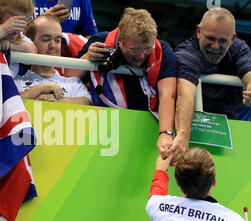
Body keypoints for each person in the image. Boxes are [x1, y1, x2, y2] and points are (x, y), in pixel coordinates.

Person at [76, 8, 177, 159]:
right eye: (134, 50)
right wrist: (87, 58)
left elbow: (167, 95)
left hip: (144, 127)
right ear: (120, 40)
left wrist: (165, 134)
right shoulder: (100, 42)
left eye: (147, 49)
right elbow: (69, 78)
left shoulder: (163, 51)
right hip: (100, 128)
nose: (142, 56)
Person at [171, 7, 251, 164]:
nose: (215, 46)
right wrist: (182, 136)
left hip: (231, 135)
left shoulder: (239, 48)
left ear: (233, 38)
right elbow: (185, 95)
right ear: (199, 31)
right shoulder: (186, 55)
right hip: (194, 134)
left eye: (223, 41)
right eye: (210, 39)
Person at [146, 147, 251, 221]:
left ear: (177, 181)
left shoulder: (160, 208)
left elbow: (157, 191)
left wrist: (161, 170)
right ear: (214, 181)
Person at [15, 15, 91, 105]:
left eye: (57, 40)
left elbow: (87, 102)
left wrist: (56, 100)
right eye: (46, 40)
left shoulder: (73, 83)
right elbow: (9, 102)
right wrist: (40, 89)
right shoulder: (16, 83)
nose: (53, 46)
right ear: (30, 43)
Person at [32, 0, 97, 38]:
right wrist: (44, 20)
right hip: (32, 56)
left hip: (67, 58)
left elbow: (91, 36)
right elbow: (21, 35)